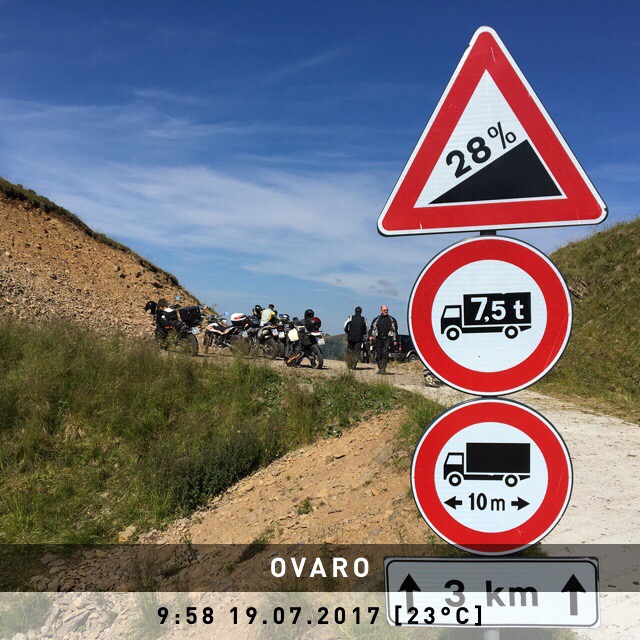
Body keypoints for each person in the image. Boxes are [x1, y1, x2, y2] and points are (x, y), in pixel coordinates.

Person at [369, 305, 398, 374]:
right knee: (378, 353)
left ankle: (383, 368)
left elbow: (395, 330)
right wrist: (370, 336)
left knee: (385, 352)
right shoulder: (376, 319)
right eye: (384, 310)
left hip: (387, 338)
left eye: (387, 310)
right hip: (378, 338)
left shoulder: (392, 320)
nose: (386, 311)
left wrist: (395, 340)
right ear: (381, 311)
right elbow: (372, 328)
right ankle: (380, 368)